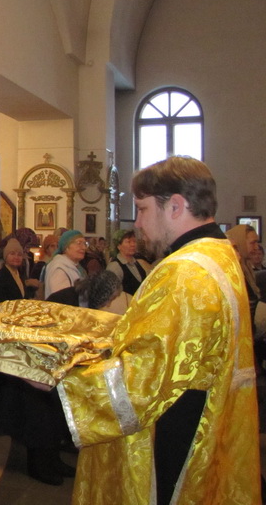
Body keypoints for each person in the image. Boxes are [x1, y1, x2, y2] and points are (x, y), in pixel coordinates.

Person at [55, 156, 260, 504]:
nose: (137, 223)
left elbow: (139, 383)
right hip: (202, 421)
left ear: (175, 206)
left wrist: (60, 378)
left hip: (172, 438)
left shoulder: (184, 272)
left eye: (142, 209)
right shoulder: (219, 255)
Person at [43, 230, 87, 298]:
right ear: (66, 247)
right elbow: (61, 299)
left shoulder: (74, 266)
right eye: (79, 243)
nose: (84, 247)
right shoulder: (59, 269)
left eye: (85, 244)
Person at [106, 230, 151, 296]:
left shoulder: (136, 263)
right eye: (128, 242)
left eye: (134, 241)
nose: (133, 245)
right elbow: (110, 293)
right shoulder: (115, 266)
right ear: (119, 246)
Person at [0, 238, 26, 308]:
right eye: (12, 253)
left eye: (19, 254)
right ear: (5, 256)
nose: (16, 257)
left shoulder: (19, 275)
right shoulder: (0, 278)